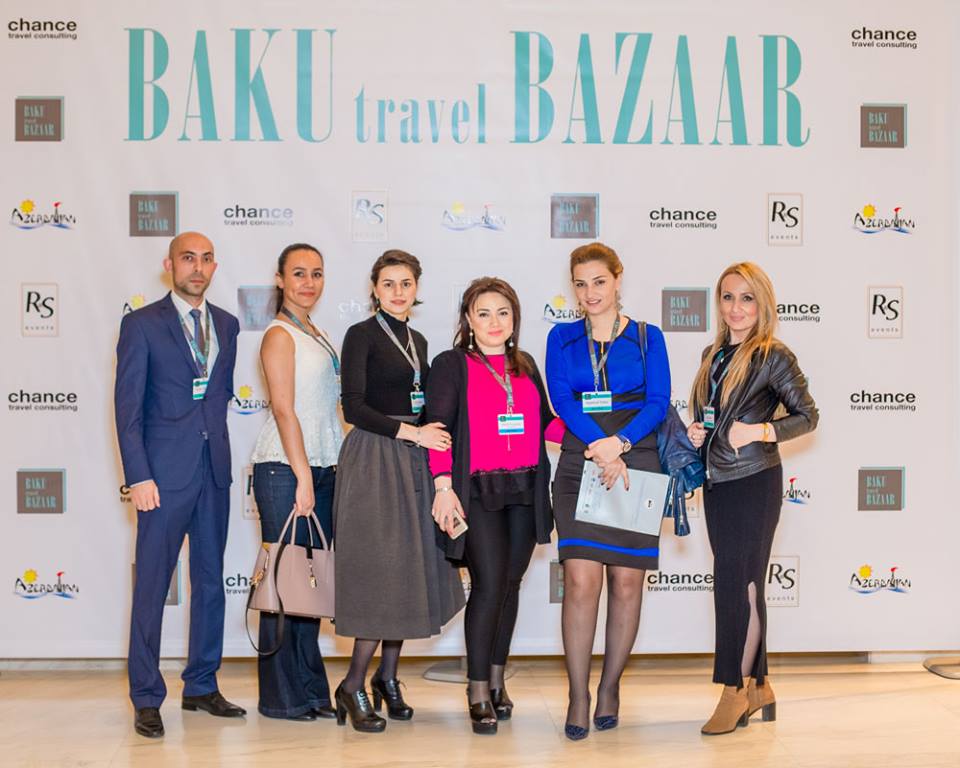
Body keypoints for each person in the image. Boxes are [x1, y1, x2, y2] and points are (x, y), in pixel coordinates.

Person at [115, 232, 244, 739]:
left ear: (215, 267)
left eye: (206, 259)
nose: (197, 267)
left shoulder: (228, 325)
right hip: (162, 478)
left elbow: (218, 397)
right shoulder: (141, 325)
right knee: (152, 586)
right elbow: (128, 411)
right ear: (169, 264)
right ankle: (147, 696)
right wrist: (139, 475)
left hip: (213, 472)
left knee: (210, 584)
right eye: (188, 258)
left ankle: (201, 685)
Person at [332, 249, 466, 732]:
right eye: (388, 283)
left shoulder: (419, 339)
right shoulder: (361, 335)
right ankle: (352, 684)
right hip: (374, 456)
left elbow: (425, 402)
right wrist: (413, 433)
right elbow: (353, 407)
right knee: (381, 571)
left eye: (406, 283)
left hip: (413, 459)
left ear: (416, 288)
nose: (397, 292)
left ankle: (387, 678)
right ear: (374, 289)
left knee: (408, 568)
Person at [426, 277, 564, 735]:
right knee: (487, 586)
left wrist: (597, 436)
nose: (494, 322)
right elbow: (438, 429)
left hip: (525, 488)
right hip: (476, 491)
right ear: (468, 319)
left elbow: (546, 424)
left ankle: (498, 679)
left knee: (510, 585)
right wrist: (443, 486)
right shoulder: (451, 364)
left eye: (503, 312)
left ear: (514, 319)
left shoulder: (525, 365)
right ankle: (477, 688)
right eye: (483, 313)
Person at [545, 242, 671, 740]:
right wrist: (600, 447)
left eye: (599, 281)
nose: (590, 292)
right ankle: (577, 694)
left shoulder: (646, 336)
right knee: (580, 581)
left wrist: (620, 444)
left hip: (636, 458)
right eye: (580, 284)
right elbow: (561, 399)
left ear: (618, 280)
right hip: (581, 458)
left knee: (626, 583)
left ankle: (610, 687)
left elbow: (658, 401)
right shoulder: (562, 337)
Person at [686, 262, 818, 735]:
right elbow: (714, 416)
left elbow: (807, 416)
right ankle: (759, 685)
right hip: (718, 483)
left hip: (754, 482)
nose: (736, 308)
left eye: (746, 298)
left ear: (762, 303)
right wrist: (699, 431)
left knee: (736, 585)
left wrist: (760, 431)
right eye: (727, 297)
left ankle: (734, 689)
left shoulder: (772, 355)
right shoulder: (713, 354)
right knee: (743, 584)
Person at [250, 243, 343, 721]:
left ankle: (310, 691)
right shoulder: (279, 334)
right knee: (285, 586)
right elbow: (284, 410)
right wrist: (303, 476)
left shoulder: (316, 332)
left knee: (309, 587)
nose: (309, 282)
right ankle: (281, 697)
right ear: (280, 279)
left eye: (317, 273)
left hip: (321, 467)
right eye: (299, 273)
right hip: (286, 470)